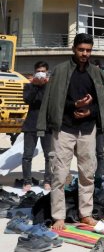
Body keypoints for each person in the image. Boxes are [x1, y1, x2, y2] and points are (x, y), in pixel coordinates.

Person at [38, 33, 104, 230]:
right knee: (59, 174)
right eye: (81, 50)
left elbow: (103, 104)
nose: (85, 54)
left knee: (87, 173)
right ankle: (58, 216)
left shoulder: (97, 73)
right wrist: (75, 105)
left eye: (88, 50)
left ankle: (86, 214)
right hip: (64, 128)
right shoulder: (61, 71)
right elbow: (54, 101)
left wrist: (89, 110)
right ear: (74, 49)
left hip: (87, 130)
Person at [21, 61, 53, 192]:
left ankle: (48, 180)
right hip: (31, 124)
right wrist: (35, 85)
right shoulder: (29, 86)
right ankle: (27, 181)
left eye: (43, 71)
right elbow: (28, 100)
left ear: (47, 72)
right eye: (39, 71)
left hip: (47, 124)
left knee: (49, 155)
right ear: (35, 72)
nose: (41, 73)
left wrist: (45, 85)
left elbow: (50, 102)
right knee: (27, 155)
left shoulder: (50, 86)